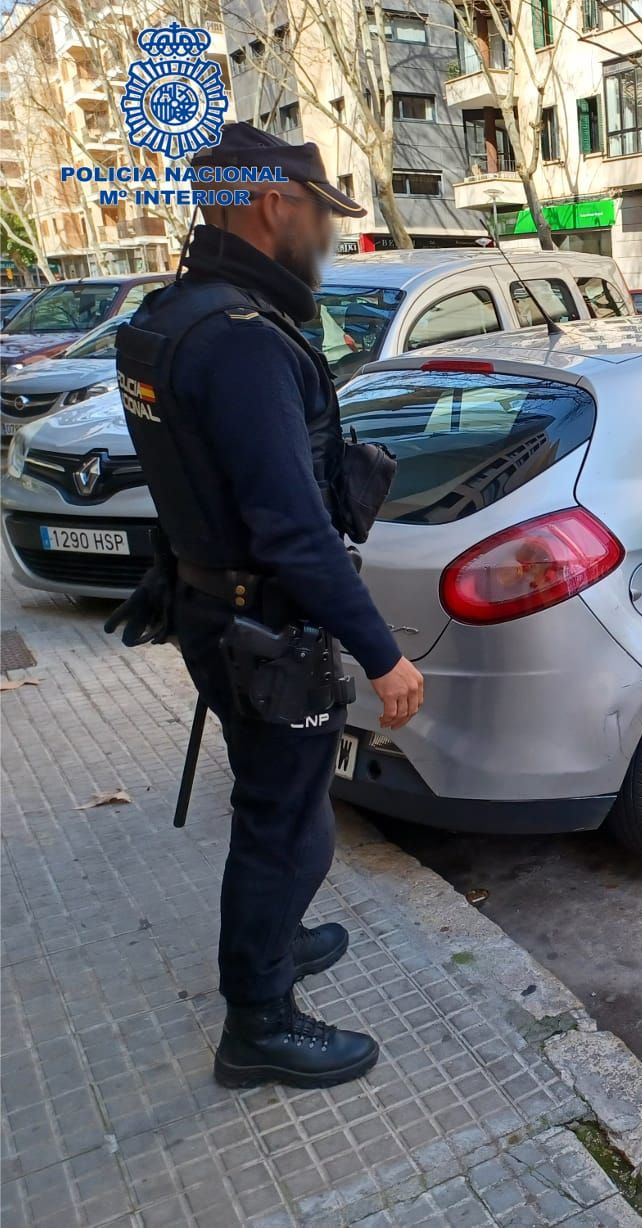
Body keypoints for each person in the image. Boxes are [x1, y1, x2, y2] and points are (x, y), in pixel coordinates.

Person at [109, 124, 424, 1086]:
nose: (326, 236)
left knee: (273, 804)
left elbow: (192, 483)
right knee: (286, 823)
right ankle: (260, 1019)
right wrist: (383, 654)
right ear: (271, 204)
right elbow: (292, 529)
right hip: (267, 623)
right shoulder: (242, 340)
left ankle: (274, 940)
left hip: (219, 609)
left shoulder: (172, 315)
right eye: (321, 215)